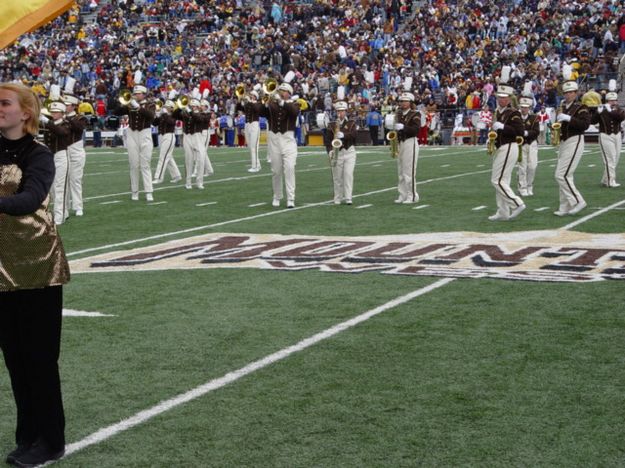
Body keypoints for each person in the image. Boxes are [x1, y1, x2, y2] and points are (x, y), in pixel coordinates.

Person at [0, 82, 70, 467]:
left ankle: (51, 439)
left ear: (25, 112)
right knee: (14, 358)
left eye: (4, 103)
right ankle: (27, 435)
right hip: (2, 268)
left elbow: (29, 199)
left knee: (39, 358)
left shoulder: (38, 154)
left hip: (37, 266)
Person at [488, 82, 526, 221]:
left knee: (497, 181)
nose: (501, 100)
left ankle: (517, 203)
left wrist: (502, 127)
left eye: (504, 97)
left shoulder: (514, 113)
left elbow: (519, 132)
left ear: (509, 99)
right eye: (499, 97)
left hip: (509, 146)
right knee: (503, 180)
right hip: (501, 146)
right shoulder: (498, 112)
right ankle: (503, 211)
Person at [554, 80, 591, 216]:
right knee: (566, 175)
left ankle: (577, 201)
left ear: (576, 93)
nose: (568, 95)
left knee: (561, 174)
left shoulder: (582, 107)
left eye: (571, 92)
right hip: (564, 141)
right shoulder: (563, 106)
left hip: (575, 140)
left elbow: (585, 125)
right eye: (566, 93)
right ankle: (564, 207)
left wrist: (568, 118)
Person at [260, 82, 300, 208]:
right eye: (280, 90)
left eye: (284, 90)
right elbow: (260, 112)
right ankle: (277, 196)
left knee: (289, 168)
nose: (281, 92)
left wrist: (281, 102)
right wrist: (264, 101)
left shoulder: (295, 103)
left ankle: (291, 198)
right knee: (276, 171)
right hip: (274, 139)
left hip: (288, 139)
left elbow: (294, 113)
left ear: (289, 93)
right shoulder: (272, 104)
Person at [116, 85, 156, 201]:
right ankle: (134, 191)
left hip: (145, 134)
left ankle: (149, 191)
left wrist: (138, 106)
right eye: (135, 93)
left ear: (143, 94)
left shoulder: (150, 104)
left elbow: (151, 116)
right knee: (133, 164)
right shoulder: (130, 104)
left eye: (138, 93)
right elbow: (116, 111)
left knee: (145, 164)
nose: (135, 95)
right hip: (132, 134)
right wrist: (123, 103)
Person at [40, 101, 72, 225]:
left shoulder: (66, 124)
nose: (53, 114)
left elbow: (61, 132)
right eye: (52, 112)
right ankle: (64, 212)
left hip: (61, 156)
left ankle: (59, 217)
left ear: (62, 113)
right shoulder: (50, 124)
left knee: (60, 187)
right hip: (49, 156)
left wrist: (47, 121)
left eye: (56, 112)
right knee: (52, 188)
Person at [323, 101, 358, 205]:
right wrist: (330, 151)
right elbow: (328, 141)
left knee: (348, 175)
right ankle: (337, 197)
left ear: (346, 111)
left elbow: (355, 135)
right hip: (337, 152)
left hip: (349, 151)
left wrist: (344, 135)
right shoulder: (332, 125)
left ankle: (348, 197)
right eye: (338, 111)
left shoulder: (351, 123)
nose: (340, 113)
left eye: (342, 111)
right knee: (337, 176)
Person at [392, 92, 423, 204]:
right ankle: (402, 194)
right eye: (402, 101)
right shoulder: (398, 114)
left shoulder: (415, 114)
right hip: (400, 142)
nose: (403, 103)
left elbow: (416, 130)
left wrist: (403, 127)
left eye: (406, 101)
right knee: (400, 171)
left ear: (410, 102)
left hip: (410, 142)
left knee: (409, 171)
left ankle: (412, 195)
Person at [591, 92, 624, 188]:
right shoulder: (602, 110)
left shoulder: (619, 110)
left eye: (615, 100)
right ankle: (610, 181)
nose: (613, 102)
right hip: (605, 136)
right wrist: (597, 113)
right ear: (607, 101)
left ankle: (605, 179)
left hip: (617, 135)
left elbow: (621, 118)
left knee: (616, 159)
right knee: (610, 159)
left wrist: (610, 111)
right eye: (611, 100)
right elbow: (592, 121)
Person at [63, 94, 88, 217]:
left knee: (75, 180)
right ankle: (64, 206)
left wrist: (66, 118)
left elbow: (79, 128)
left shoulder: (80, 118)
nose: (65, 107)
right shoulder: (60, 118)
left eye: (67, 105)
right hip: (63, 151)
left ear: (73, 106)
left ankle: (78, 206)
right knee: (63, 180)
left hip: (76, 151)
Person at [152, 100, 182, 184]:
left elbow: (171, 122)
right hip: (162, 136)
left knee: (163, 157)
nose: (164, 108)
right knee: (168, 157)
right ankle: (177, 175)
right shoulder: (163, 115)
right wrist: (157, 115)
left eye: (167, 107)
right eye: (165, 106)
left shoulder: (173, 115)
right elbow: (154, 123)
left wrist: (164, 114)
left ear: (171, 108)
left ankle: (158, 177)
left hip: (169, 136)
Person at [517, 96, 540, 196]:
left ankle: (530, 185)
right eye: (522, 107)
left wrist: (526, 133)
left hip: (531, 144)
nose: (524, 109)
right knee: (522, 167)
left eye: (526, 107)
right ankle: (522, 187)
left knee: (532, 166)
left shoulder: (534, 118)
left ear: (529, 108)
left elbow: (536, 131)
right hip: (520, 145)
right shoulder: (516, 118)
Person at [236, 90, 263, 172]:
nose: (250, 96)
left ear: (255, 96)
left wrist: (250, 101)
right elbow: (239, 108)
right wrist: (239, 99)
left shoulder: (258, 103)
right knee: (250, 146)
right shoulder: (248, 104)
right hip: (247, 125)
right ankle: (257, 165)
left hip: (254, 124)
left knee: (254, 147)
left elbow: (257, 110)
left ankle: (254, 167)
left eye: (252, 95)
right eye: (250, 95)